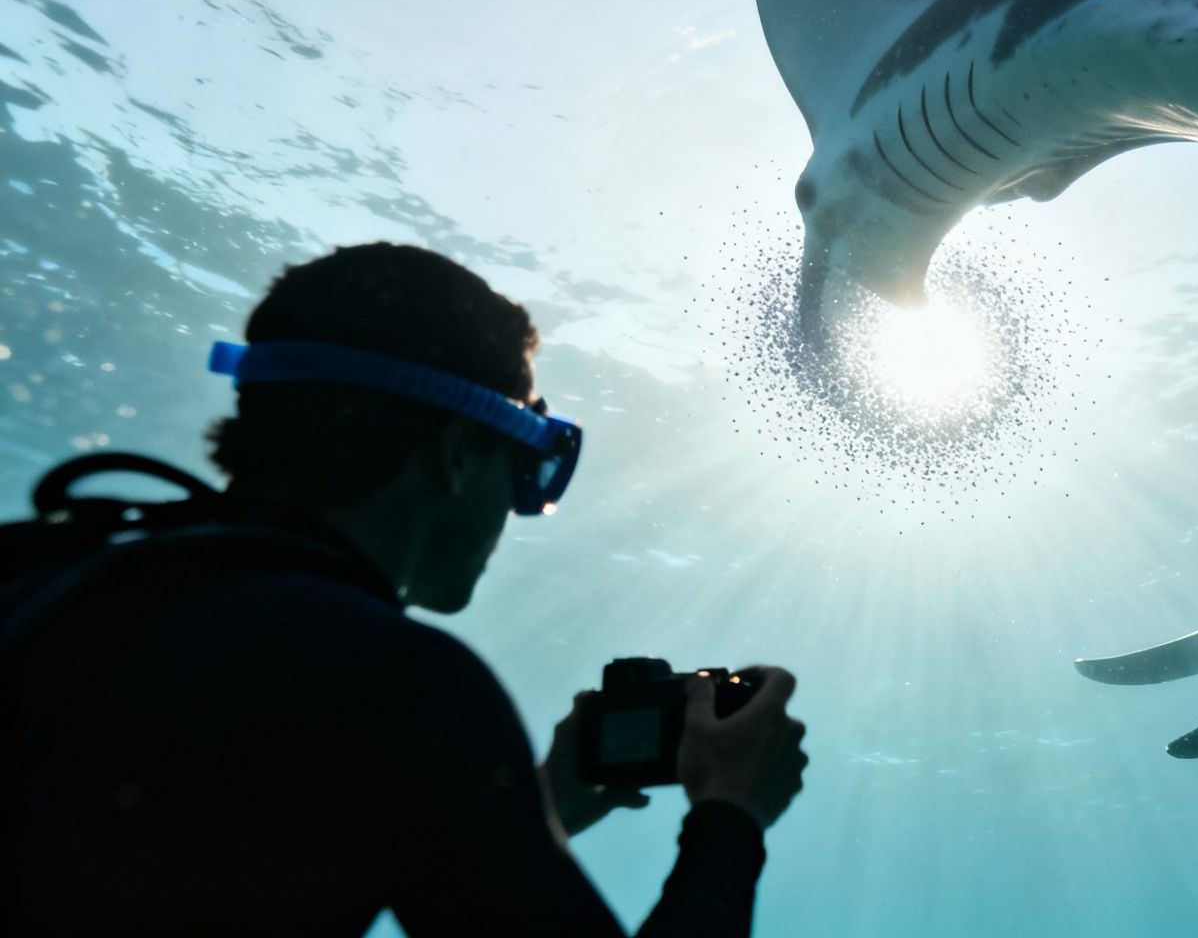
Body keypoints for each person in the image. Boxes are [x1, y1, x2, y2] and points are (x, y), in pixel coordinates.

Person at [0, 242, 807, 936]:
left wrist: (533, 807)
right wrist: (729, 815)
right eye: (527, 469)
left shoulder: (51, 571)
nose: (520, 510)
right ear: (456, 454)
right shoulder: (397, 685)